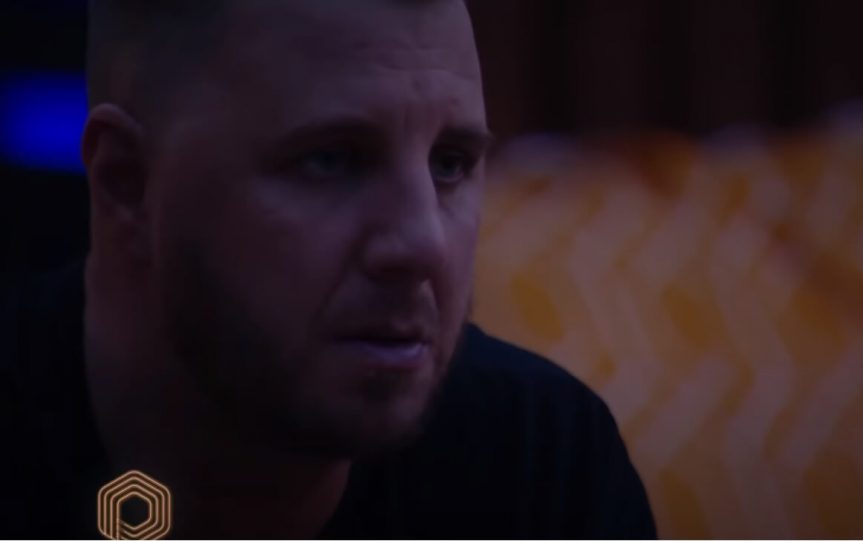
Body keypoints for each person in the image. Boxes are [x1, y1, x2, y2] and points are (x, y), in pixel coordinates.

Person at [0, 0, 656, 538]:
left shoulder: (543, 464)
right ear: (126, 182)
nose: (424, 245)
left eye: (450, 163)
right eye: (331, 160)